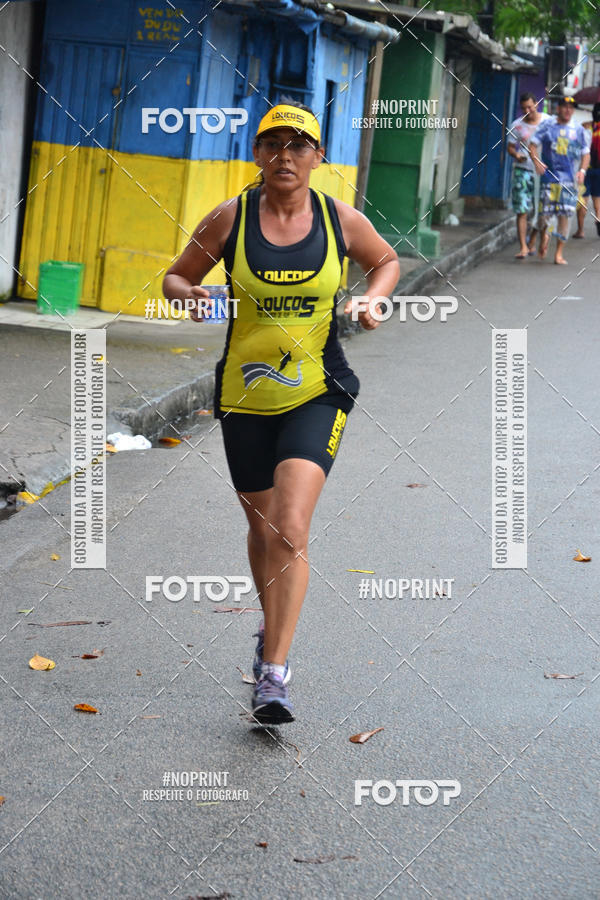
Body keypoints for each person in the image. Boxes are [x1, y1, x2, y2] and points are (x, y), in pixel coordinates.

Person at [162, 101, 400, 725]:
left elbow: (387, 260)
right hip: (244, 395)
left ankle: (275, 673)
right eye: (274, 144)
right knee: (264, 530)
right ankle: (271, 632)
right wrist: (194, 297)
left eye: (299, 145)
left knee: (292, 528)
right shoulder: (230, 219)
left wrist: (374, 299)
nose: (286, 156)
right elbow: (175, 278)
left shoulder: (339, 220)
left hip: (320, 390)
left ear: (319, 158)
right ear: (258, 154)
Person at [529, 96, 591, 264]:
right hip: (549, 179)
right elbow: (532, 146)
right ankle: (542, 237)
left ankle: (558, 253)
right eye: (564, 107)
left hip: (569, 182)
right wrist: (536, 162)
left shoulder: (578, 130)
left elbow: (586, 153)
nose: (568, 110)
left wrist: (582, 171)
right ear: (558, 108)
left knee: (565, 215)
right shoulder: (547, 126)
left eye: (571, 108)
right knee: (545, 215)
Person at [507, 92, 551, 258]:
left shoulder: (548, 121)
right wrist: (517, 155)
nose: (527, 110)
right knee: (522, 210)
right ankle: (524, 247)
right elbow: (510, 147)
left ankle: (534, 239)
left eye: (530, 107)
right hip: (523, 171)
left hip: (543, 172)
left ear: (536, 105)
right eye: (524, 108)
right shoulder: (517, 125)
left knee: (542, 210)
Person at [574, 102, 600, 238]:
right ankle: (598, 219)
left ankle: (580, 231)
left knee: (582, 200)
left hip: (586, 167)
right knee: (597, 200)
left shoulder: (585, 127)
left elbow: (577, 146)